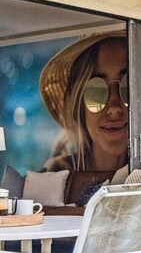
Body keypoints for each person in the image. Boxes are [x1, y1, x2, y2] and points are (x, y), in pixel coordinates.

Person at [39, 32, 130, 176]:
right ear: (79, 105)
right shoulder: (59, 174)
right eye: (96, 91)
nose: (114, 108)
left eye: (128, 87)